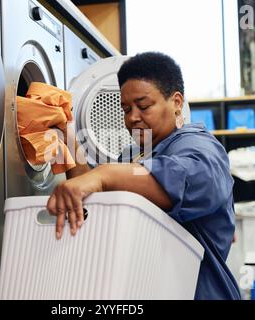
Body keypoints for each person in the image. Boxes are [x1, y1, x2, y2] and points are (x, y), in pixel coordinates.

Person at [46, 51, 241, 300]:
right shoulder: (136, 153)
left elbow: (179, 183)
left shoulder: (200, 147)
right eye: (126, 109)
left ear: (177, 102)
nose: (132, 118)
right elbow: (99, 196)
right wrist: (64, 135)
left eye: (144, 106)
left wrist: (103, 175)